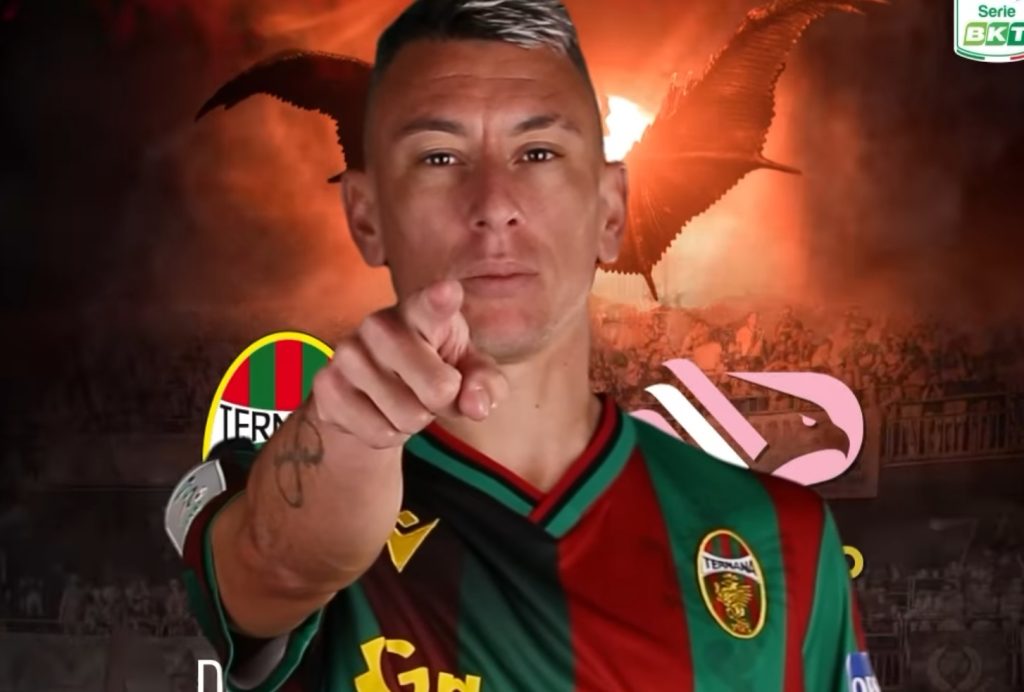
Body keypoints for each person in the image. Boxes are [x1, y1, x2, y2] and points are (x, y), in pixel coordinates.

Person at [165, 1, 873, 689]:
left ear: (611, 211)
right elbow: (271, 564)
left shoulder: (786, 539)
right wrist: (340, 463)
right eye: (440, 157)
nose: (493, 204)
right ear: (367, 214)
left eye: (538, 153)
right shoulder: (283, 485)